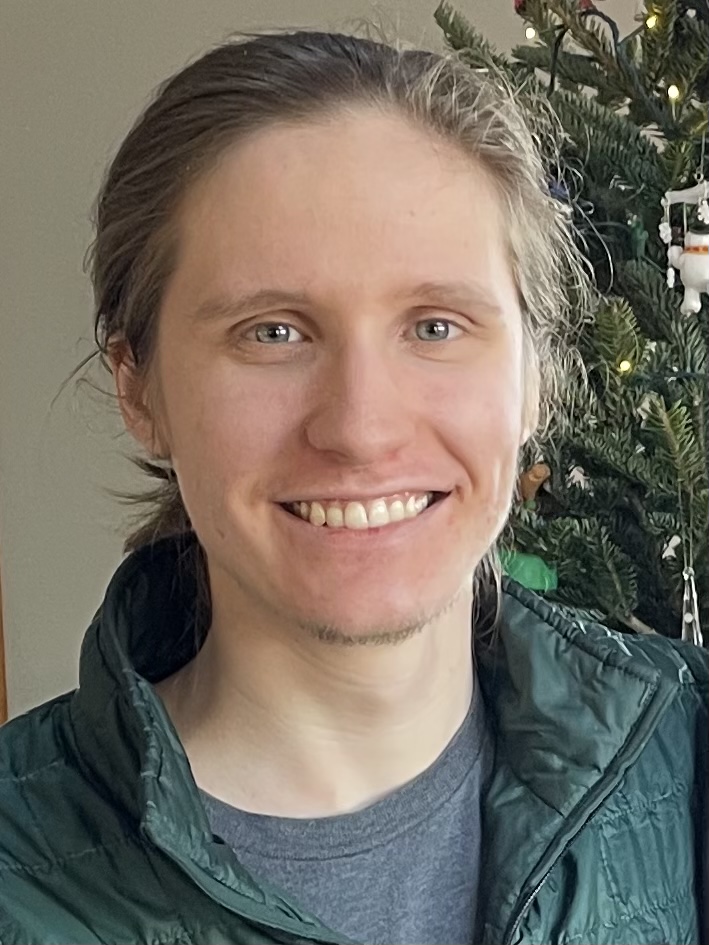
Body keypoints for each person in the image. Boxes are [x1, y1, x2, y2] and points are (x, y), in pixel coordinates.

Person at [0, 30, 706, 945]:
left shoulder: (686, 755)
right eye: (273, 333)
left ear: (533, 373)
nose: (361, 427)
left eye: (435, 326)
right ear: (141, 389)